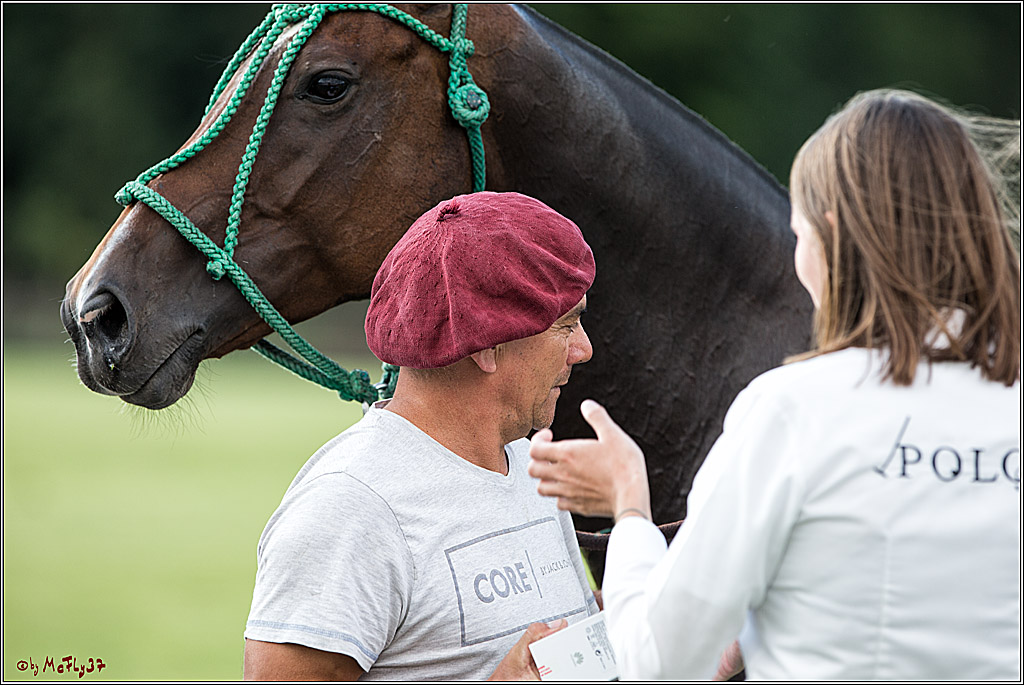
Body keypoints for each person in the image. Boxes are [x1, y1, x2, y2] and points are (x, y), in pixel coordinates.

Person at [528, 89, 1021, 680]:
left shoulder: (794, 410)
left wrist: (628, 505)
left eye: (798, 230)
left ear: (831, 235)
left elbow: (661, 662)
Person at [243, 191, 600, 680]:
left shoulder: (525, 462)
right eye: (566, 324)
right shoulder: (350, 509)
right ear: (487, 342)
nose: (584, 349)